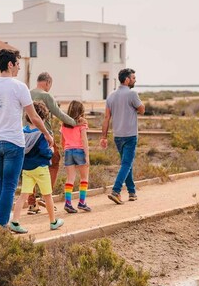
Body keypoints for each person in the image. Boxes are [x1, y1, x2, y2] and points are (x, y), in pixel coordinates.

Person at [0, 49, 53, 231]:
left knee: (4, 183)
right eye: (18, 64)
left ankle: (2, 223)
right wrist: (47, 134)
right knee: (9, 186)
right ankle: (2, 225)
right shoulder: (19, 87)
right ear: (10, 64)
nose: (19, 68)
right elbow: (34, 117)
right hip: (13, 142)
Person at [29, 72, 77, 211]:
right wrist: (74, 122)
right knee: (55, 161)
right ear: (47, 82)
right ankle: (45, 196)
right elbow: (58, 113)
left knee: (30, 167)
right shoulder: (46, 95)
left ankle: (32, 204)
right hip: (44, 135)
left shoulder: (27, 93)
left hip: (27, 134)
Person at [100, 68, 145, 204]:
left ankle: (132, 192)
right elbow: (142, 110)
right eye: (133, 78)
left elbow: (106, 118)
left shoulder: (111, 96)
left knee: (127, 164)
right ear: (126, 80)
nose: (135, 80)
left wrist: (103, 137)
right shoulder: (132, 94)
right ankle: (116, 191)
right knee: (126, 164)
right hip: (130, 135)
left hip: (117, 136)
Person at [18, 101, 64, 232]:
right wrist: (52, 152)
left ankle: (15, 221)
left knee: (23, 195)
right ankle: (53, 221)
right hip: (40, 168)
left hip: (26, 168)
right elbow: (45, 152)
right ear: (42, 117)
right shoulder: (41, 133)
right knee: (47, 195)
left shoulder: (23, 131)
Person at [61, 100, 91, 213]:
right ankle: (82, 202)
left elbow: (62, 140)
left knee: (70, 178)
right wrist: (87, 156)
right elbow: (84, 140)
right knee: (84, 178)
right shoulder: (82, 123)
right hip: (79, 151)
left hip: (68, 151)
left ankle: (68, 203)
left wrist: (65, 149)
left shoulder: (64, 123)